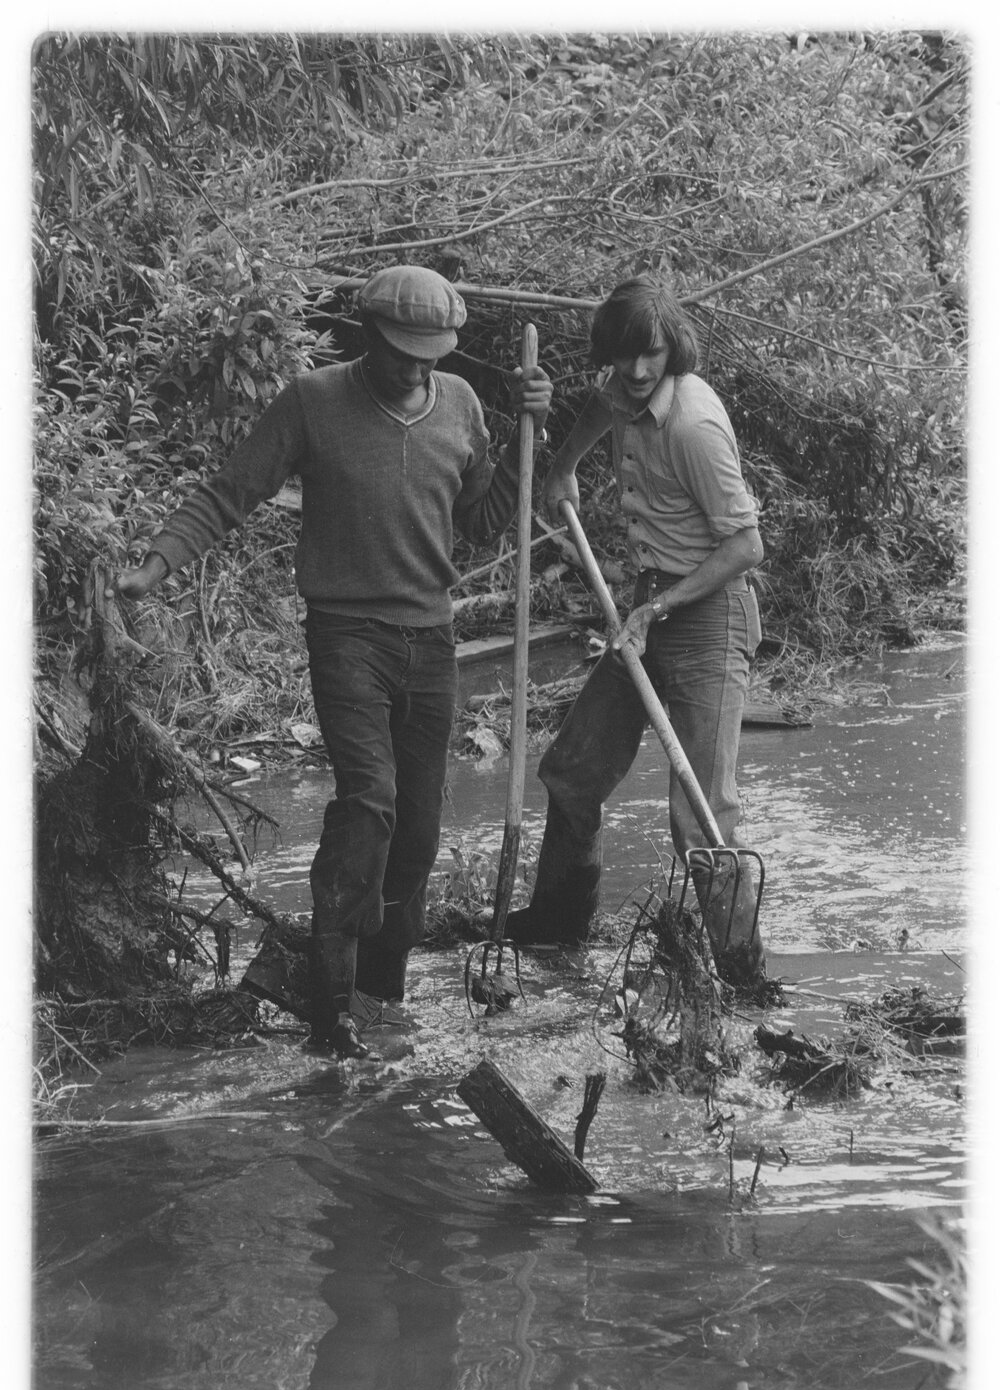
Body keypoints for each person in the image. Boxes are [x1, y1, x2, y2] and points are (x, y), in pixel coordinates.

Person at [113, 265, 552, 1056]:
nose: (418, 370)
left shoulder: (462, 406)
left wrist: (529, 438)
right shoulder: (313, 402)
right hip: (347, 635)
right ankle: (333, 1004)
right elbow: (227, 494)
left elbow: (486, 519)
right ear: (369, 337)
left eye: (431, 356)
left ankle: (384, 995)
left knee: (416, 830)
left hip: (432, 638)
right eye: (403, 354)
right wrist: (154, 567)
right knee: (370, 801)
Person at [506, 274, 766, 984]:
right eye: (627, 357)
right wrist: (562, 467)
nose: (640, 371)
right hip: (648, 611)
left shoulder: (694, 426)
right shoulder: (623, 388)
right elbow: (602, 404)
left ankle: (744, 978)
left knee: (701, 823)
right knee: (571, 771)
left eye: (652, 355)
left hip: (706, 619)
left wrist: (657, 608)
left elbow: (745, 547)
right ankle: (556, 936)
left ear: (671, 347)